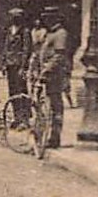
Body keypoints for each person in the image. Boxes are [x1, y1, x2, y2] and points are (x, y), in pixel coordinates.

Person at [37, 9, 72, 148]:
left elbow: (58, 56)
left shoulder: (60, 34)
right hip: (48, 75)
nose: (46, 20)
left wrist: (46, 70)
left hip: (55, 75)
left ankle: (55, 137)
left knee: (56, 107)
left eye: (49, 18)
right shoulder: (51, 33)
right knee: (47, 106)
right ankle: (48, 135)